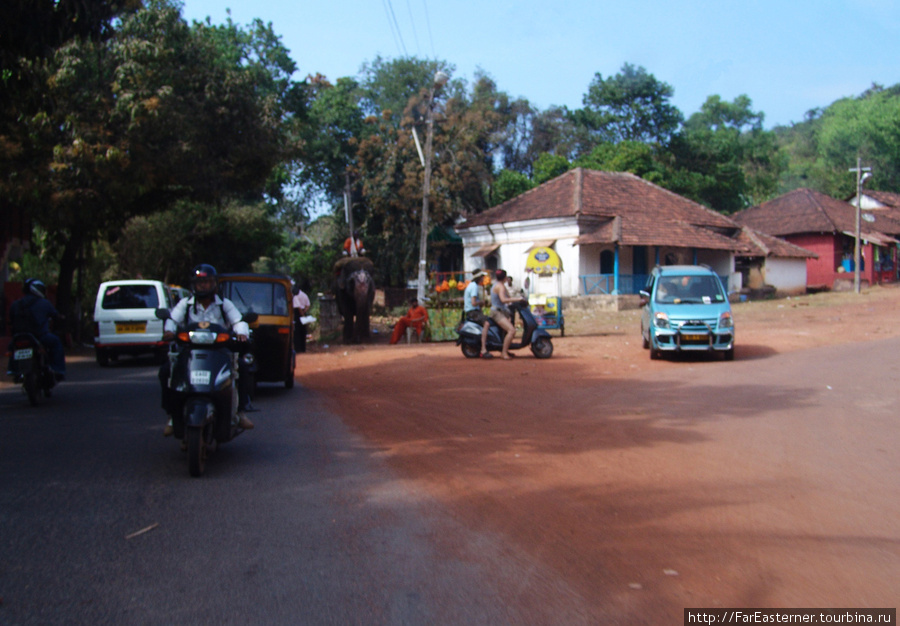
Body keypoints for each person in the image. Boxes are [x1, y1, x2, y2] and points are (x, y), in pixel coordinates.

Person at [159, 264, 254, 435]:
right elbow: (173, 320)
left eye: (207, 282)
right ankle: (172, 416)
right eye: (200, 282)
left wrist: (241, 332)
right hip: (190, 354)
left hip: (219, 352)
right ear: (194, 285)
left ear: (214, 284)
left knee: (242, 367)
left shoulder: (224, 305)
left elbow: (238, 321)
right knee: (166, 371)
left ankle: (240, 412)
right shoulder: (185, 304)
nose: (204, 286)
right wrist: (169, 331)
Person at [7, 278, 66, 379]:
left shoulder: (16, 304)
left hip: (19, 337)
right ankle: (58, 369)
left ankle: (13, 369)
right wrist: (61, 318)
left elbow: (10, 320)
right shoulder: (44, 303)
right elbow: (56, 316)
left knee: (12, 348)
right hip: (39, 336)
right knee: (56, 343)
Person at [490, 269, 523, 360]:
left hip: (501, 311)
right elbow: (503, 300)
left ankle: (505, 350)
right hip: (497, 313)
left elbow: (508, 297)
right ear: (505, 277)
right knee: (511, 330)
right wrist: (518, 299)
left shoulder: (498, 285)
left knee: (506, 331)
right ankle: (504, 353)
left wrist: (517, 298)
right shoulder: (500, 286)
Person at [463, 270, 492, 358]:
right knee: (486, 324)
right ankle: (483, 349)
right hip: (473, 312)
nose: (483, 278)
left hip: (473, 311)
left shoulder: (472, 285)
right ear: (479, 278)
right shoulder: (474, 287)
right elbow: (473, 303)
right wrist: (482, 302)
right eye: (482, 277)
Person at [292, 282, 311, 353]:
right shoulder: (304, 295)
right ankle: (303, 348)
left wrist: (301, 314)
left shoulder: (296, 296)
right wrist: (304, 311)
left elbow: (298, 307)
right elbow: (308, 305)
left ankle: (298, 349)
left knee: (297, 331)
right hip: (303, 313)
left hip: (298, 314)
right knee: (303, 331)